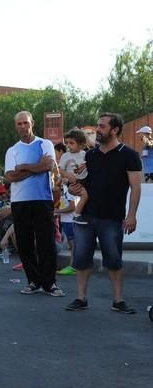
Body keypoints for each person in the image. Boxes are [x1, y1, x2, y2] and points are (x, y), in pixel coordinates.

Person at [66, 113, 142, 314]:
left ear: (114, 129)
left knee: (114, 260)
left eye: (102, 126)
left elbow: (135, 188)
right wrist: (75, 188)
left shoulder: (130, 155)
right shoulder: (90, 155)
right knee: (81, 259)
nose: (97, 130)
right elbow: (84, 183)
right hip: (86, 216)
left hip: (112, 217)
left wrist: (131, 215)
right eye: (98, 126)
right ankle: (81, 298)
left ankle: (118, 300)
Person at [4, 111, 63, 297]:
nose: (23, 126)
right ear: (16, 126)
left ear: (32, 123)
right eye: (19, 123)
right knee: (24, 242)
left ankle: (49, 283)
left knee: (46, 241)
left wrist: (23, 167)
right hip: (20, 201)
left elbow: (48, 166)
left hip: (42, 199)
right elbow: (10, 176)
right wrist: (36, 166)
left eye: (25, 123)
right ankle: (33, 280)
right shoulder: (12, 150)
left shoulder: (44, 144)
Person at [55, 184, 77, 276]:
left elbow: (72, 207)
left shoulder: (69, 192)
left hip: (70, 221)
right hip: (67, 221)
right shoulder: (65, 192)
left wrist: (57, 211)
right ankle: (73, 266)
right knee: (72, 244)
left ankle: (73, 267)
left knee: (73, 245)